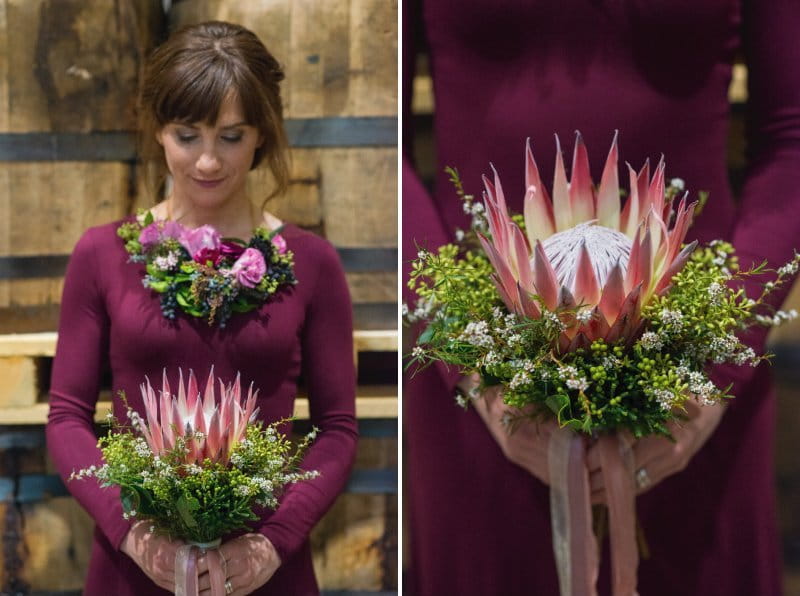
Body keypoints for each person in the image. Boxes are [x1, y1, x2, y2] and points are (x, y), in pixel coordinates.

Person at [403, 1, 800, 594]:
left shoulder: (707, 380)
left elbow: (792, 137)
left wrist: (719, 366)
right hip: (483, 388)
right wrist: (468, 365)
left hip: (692, 384)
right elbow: (390, 143)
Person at [46, 21, 357, 596]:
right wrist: (134, 532)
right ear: (158, 132)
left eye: (231, 136)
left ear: (262, 134)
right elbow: (67, 417)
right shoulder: (100, 254)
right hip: (132, 569)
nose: (209, 162)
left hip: (268, 570)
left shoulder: (314, 264)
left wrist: (271, 544)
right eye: (188, 136)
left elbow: (337, 429)